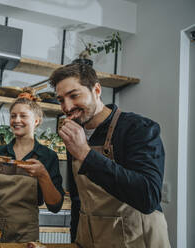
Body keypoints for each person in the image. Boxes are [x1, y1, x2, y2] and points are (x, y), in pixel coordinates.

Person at [50, 63, 171, 247]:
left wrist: (85, 153)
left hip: (136, 240)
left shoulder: (138, 128)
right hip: (90, 240)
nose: (66, 107)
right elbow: (78, 199)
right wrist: (76, 240)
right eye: (60, 100)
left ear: (96, 90)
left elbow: (148, 197)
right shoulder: (75, 134)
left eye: (74, 95)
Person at [0, 94, 65, 243]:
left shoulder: (47, 156)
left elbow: (55, 206)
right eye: (13, 116)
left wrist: (43, 175)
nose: (17, 120)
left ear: (36, 121)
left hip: (25, 235)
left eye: (23, 116)